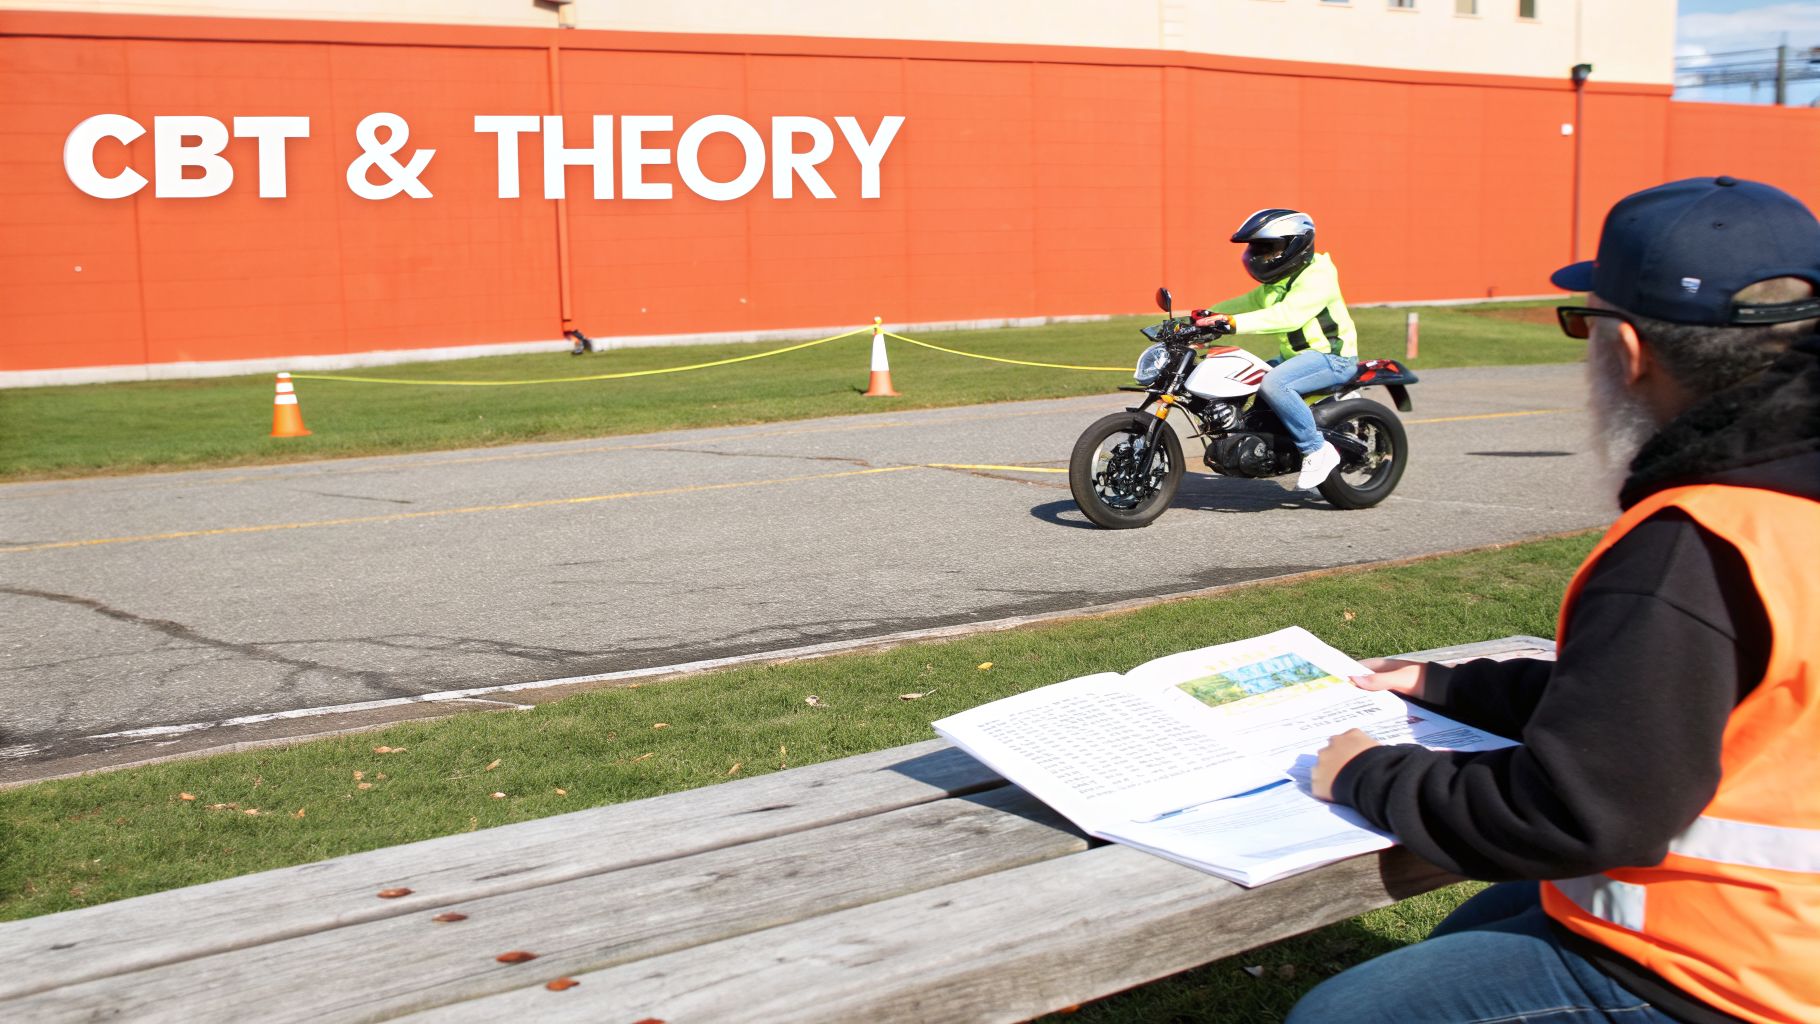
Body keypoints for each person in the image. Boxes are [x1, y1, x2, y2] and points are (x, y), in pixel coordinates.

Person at [1291, 176, 1820, 1024]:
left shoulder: (1696, 542)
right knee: (1479, 922)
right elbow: (1678, 705)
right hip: (1779, 931)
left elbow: (1576, 813)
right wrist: (1451, 686)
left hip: (1739, 973)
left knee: (1339, 1016)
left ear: (1633, 350)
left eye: (1586, 321)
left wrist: (1368, 773)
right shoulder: (1783, 504)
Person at [1192, 209, 1361, 489]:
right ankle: (1260, 446)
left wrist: (1230, 324)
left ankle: (1316, 450)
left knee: (1274, 384)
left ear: (1296, 245)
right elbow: (1245, 303)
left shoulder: (1317, 276)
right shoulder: (1277, 284)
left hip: (1333, 359)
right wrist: (1202, 318)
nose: (1260, 256)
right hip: (1296, 358)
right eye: (1257, 249)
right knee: (1241, 377)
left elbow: (1289, 315)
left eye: (1269, 249)